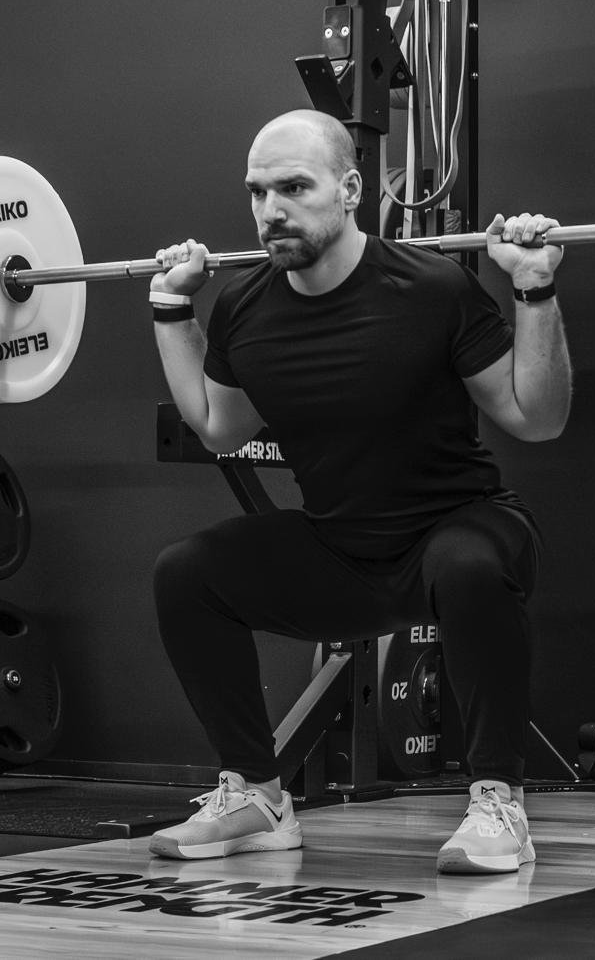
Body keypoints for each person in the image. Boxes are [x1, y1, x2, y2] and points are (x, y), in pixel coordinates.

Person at [145, 108, 570, 875]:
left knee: (469, 564)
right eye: (257, 191)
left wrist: (534, 290)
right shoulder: (244, 303)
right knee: (187, 571)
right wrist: (173, 309)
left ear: (349, 188)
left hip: (458, 532)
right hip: (343, 550)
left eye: (294, 188)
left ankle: (497, 801)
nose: (271, 211)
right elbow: (216, 426)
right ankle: (260, 796)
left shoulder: (433, 288)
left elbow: (535, 418)